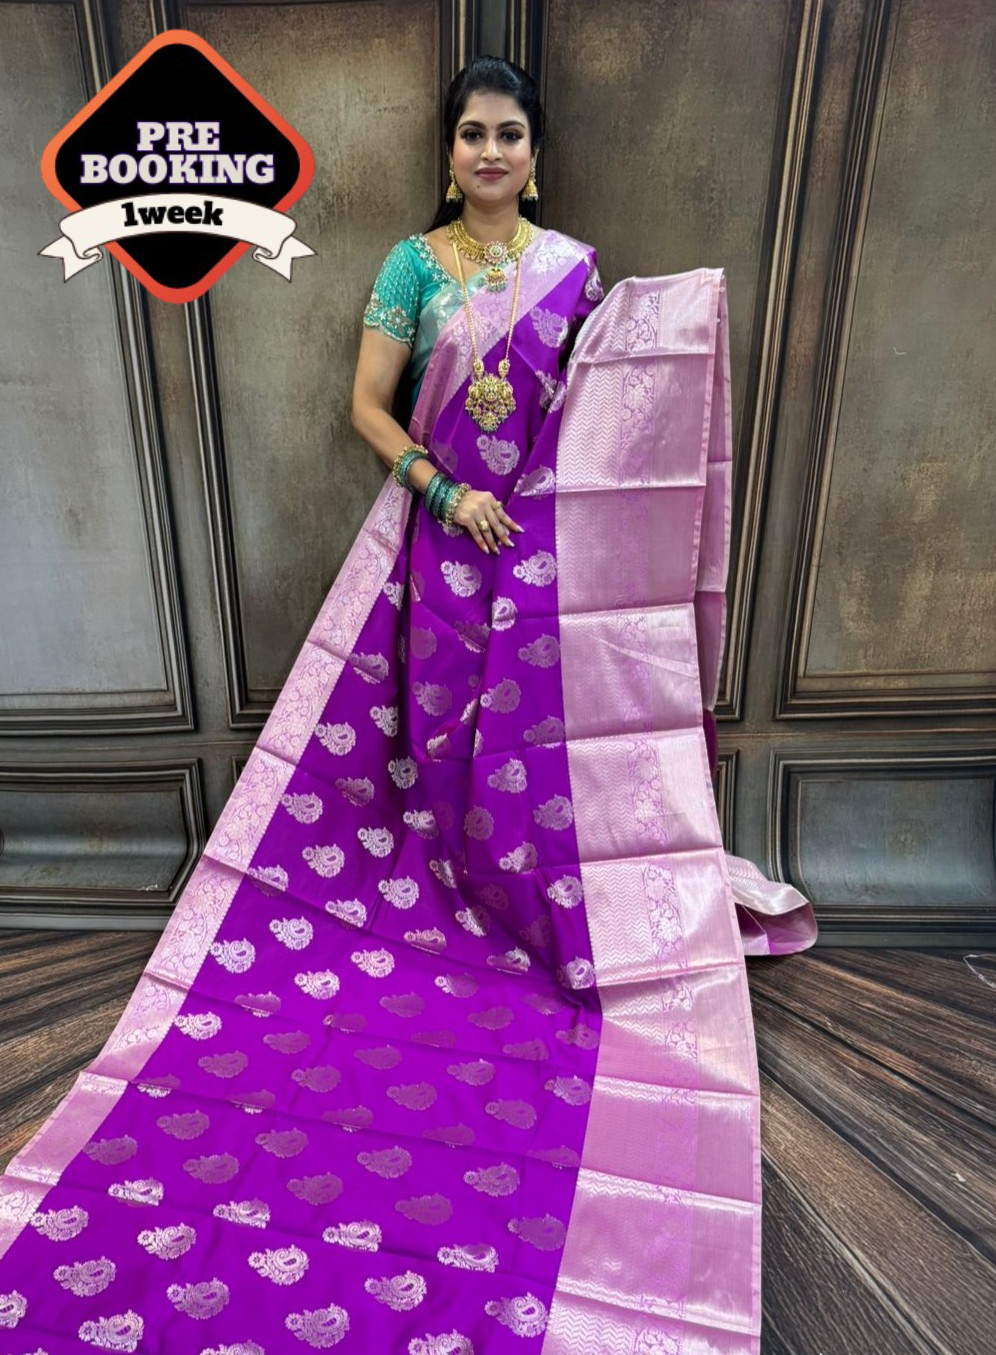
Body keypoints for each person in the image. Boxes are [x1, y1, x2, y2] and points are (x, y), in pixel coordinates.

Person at [0, 57, 815, 1354]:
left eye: (510, 134)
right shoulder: (412, 267)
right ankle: (440, 905)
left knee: (537, 760)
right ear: (449, 154)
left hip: (541, 570)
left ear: (533, 156)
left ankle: (531, 916)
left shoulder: (574, 272)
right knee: (434, 754)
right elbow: (366, 409)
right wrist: (446, 492)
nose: (491, 151)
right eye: (473, 134)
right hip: (441, 550)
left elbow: (600, 425)